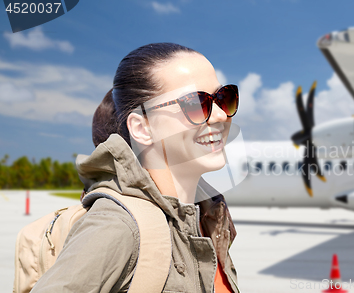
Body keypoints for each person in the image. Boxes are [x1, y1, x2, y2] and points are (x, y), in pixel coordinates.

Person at [31, 43, 240, 293]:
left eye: (223, 97)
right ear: (142, 128)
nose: (220, 116)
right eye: (195, 103)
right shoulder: (117, 226)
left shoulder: (209, 218)